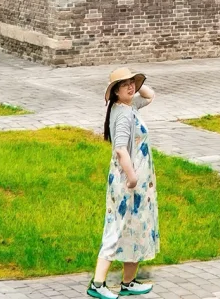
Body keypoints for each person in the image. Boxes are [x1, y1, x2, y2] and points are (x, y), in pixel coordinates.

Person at [86, 68, 160, 299]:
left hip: (139, 183)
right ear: (115, 92)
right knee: (117, 227)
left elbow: (150, 95)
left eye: (132, 83)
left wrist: (135, 82)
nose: (130, 87)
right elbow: (120, 149)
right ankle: (98, 284)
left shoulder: (130, 106)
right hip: (128, 182)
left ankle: (128, 282)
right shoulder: (124, 114)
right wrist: (132, 176)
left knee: (135, 227)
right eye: (124, 85)